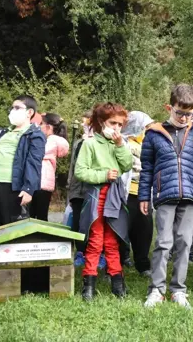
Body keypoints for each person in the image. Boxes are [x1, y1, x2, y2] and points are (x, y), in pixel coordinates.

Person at [139, 85, 193, 309]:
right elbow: (146, 168)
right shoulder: (153, 134)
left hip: (189, 195)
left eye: (189, 114)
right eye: (180, 112)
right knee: (163, 243)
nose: (185, 118)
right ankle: (157, 289)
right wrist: (143, 197)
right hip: (164, 195)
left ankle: (179, 289)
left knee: (185, 242)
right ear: (169, 107)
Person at [0, 95, 46, 281]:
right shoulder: (2, 133)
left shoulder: (34, 134)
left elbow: (34, 163)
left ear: (29, 113)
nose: (12, 111)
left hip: (13, 186)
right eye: (12, 107)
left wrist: (29, 188)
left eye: (17, 108)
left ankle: (14, 269)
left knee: (12, 226)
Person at [75, 102, 132, 300]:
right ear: (101, 122)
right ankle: (88, 284)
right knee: (95, 240)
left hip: (115, 197)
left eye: (120, 124)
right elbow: (80, 171)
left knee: (112, 240)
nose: (116, 128)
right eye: (112, 123)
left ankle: (118, 283)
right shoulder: (89, 144)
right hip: (97, 196)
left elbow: (127, 165)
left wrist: (119, 146)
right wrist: (104, 174)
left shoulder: (119, 143)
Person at [119, 111, 155, 276]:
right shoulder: (123, 142)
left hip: (143, 194)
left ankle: (143, 264)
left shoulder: (149, 143)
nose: (148, 129)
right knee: (121, 230)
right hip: (125, 194)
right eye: (145, 126)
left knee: (144, 230)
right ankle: (118, 262)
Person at [30, 113, 69, 221]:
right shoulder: (52, 140)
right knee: (40, 214)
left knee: (35, 215)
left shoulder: (52, 140)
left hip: (40, 181)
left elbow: (38, 153)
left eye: (41, 123)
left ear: (48, 127)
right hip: (44, 182)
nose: (38, 126)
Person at [69, 110, 93, 266]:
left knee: (92, 223)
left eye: (87, 122)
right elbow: (72, 167)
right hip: (77, 190)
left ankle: (95, 253)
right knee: (77, 222)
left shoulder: (100, 142)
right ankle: (80, 252)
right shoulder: (78, 143)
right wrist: (70, 190)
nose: (84, 124)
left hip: (92, 190)